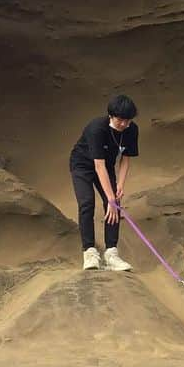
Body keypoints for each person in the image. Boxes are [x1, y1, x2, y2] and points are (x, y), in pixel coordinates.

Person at [69, 94, 139, 271]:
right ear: (111, 116)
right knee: (87, 203)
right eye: (120, 120)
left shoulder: (132, 130)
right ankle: (89, 252)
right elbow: (97, 165)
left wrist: (120, 186)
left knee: (116, 202)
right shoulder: (96, 128)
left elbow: (126, 159)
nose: (123, 124)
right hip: (82, 165)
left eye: (127, 120)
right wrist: (110, 199)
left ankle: (111, 253)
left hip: (107, 166)